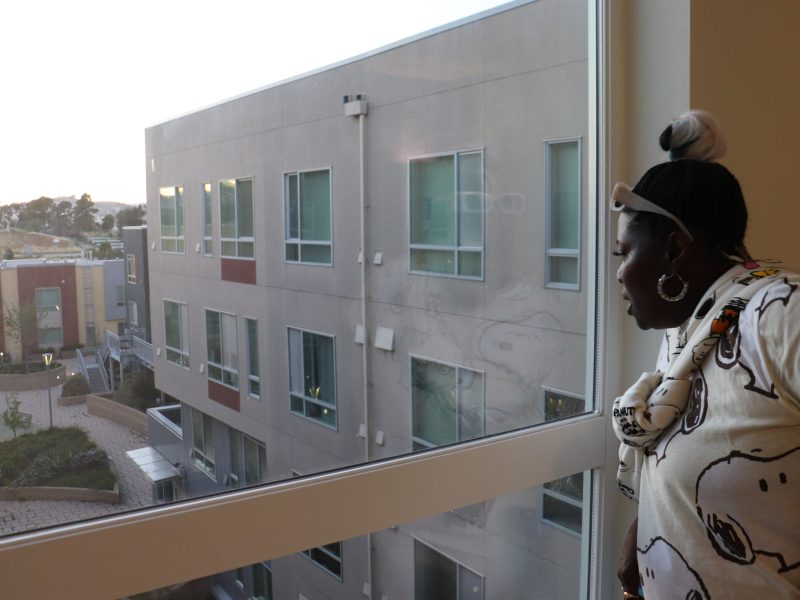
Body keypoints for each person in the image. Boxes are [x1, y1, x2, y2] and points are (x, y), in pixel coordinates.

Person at [610, 110, 800, 599]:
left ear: (674, 250)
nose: (618, 274)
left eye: (623, 253)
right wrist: (643, 539)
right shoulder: (693, 328)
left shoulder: (779, 314)